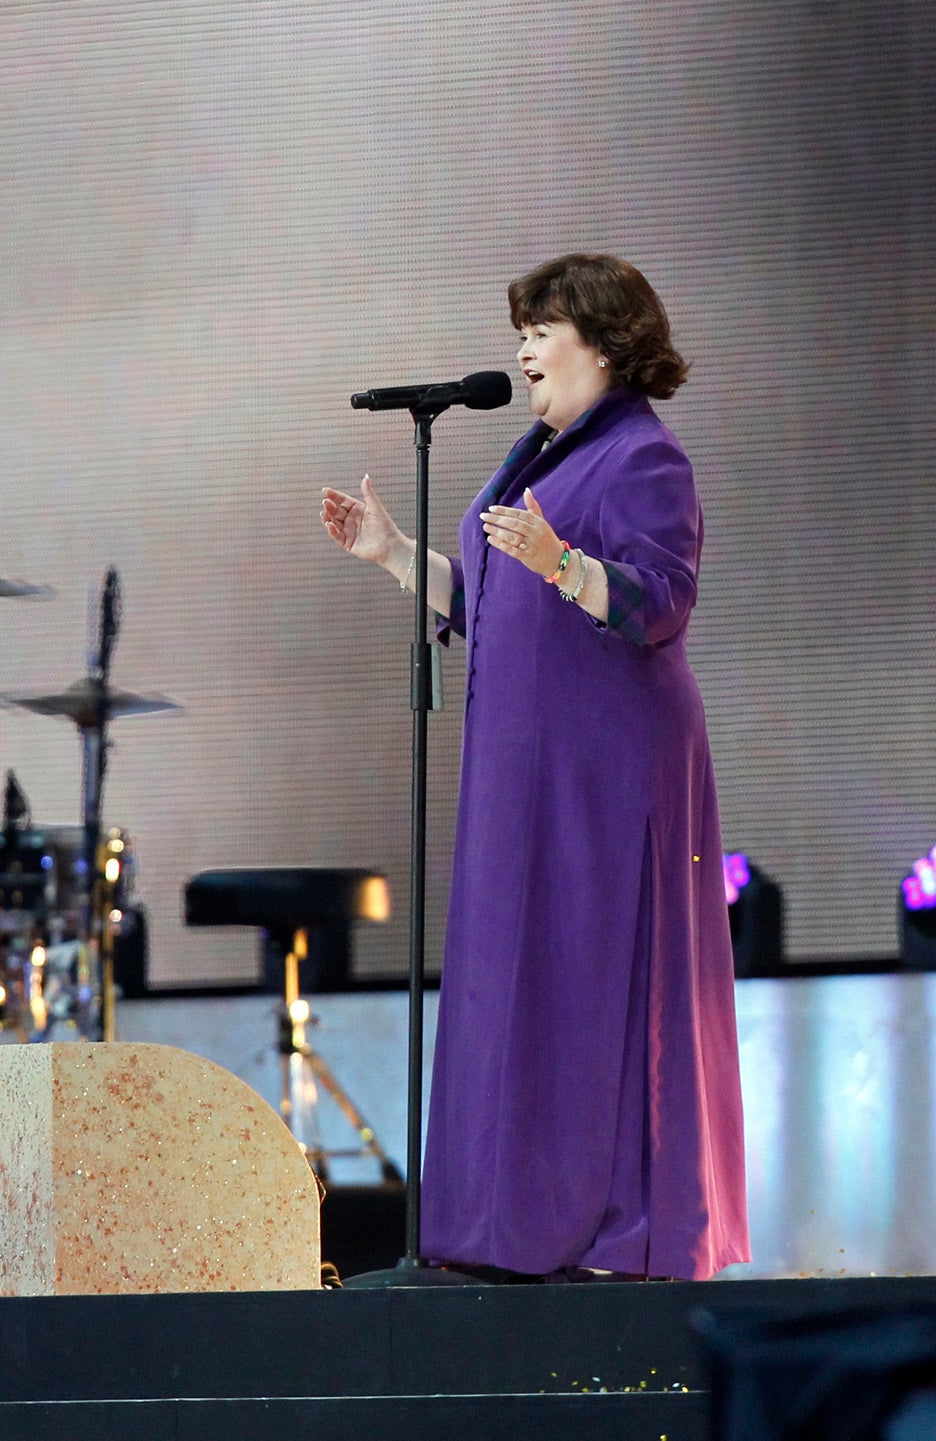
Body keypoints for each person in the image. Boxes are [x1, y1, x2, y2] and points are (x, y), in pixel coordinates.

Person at [318, 254, 750, 1280]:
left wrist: (563, 562)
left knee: (599, 979)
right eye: (520, 329)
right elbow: (490, 597)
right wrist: (391, 552)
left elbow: (658, 602)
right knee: (524, 977)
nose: (520, 348)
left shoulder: (644, 457)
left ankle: (620, 1228)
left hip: (607, 773)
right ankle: (512, 1224)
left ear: (601, 341)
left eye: (541, 328)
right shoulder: (537, 455)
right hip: (525, 769)